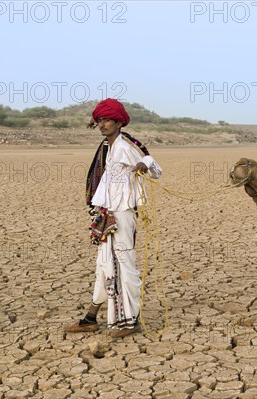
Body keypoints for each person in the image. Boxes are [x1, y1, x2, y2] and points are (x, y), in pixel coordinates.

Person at [65, 98, 162, 338]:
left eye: (107, 119)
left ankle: (131, 321)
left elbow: (155, 168)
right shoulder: (108, 148)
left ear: (119, 122)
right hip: (108, 214)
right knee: (104, 266)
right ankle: (90, 318)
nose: (102, 124)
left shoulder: (124, 147)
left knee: (126, 266)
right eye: (100, 120)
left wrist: (143, 163)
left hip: (122, 215)